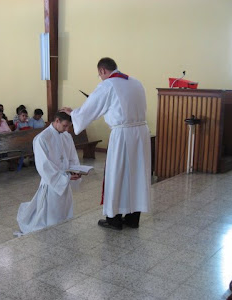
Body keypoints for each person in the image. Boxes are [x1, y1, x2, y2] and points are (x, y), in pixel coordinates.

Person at [61, 57, 151, 230]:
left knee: (116, 174)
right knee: (137, 174)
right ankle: (133, 219)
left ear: (102, 71)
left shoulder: (108, 84)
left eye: (99, 75)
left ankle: (114, 219)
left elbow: (90, 109)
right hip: (141, 134)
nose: (100, 78)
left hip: (123, 134)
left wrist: (74, 114)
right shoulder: (136, 82)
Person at [16, 112, 82, 234]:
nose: (67, 129)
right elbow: (43, 166)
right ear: (57, 121)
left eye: (69, 126)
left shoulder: (66, 136)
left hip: (65, 181)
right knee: (51, 214)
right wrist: (64, 178)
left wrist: (76, 171)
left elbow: (72, 157)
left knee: (64, 210)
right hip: (53, 183)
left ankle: (63, 227)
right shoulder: (42, 138)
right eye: (65, 126)